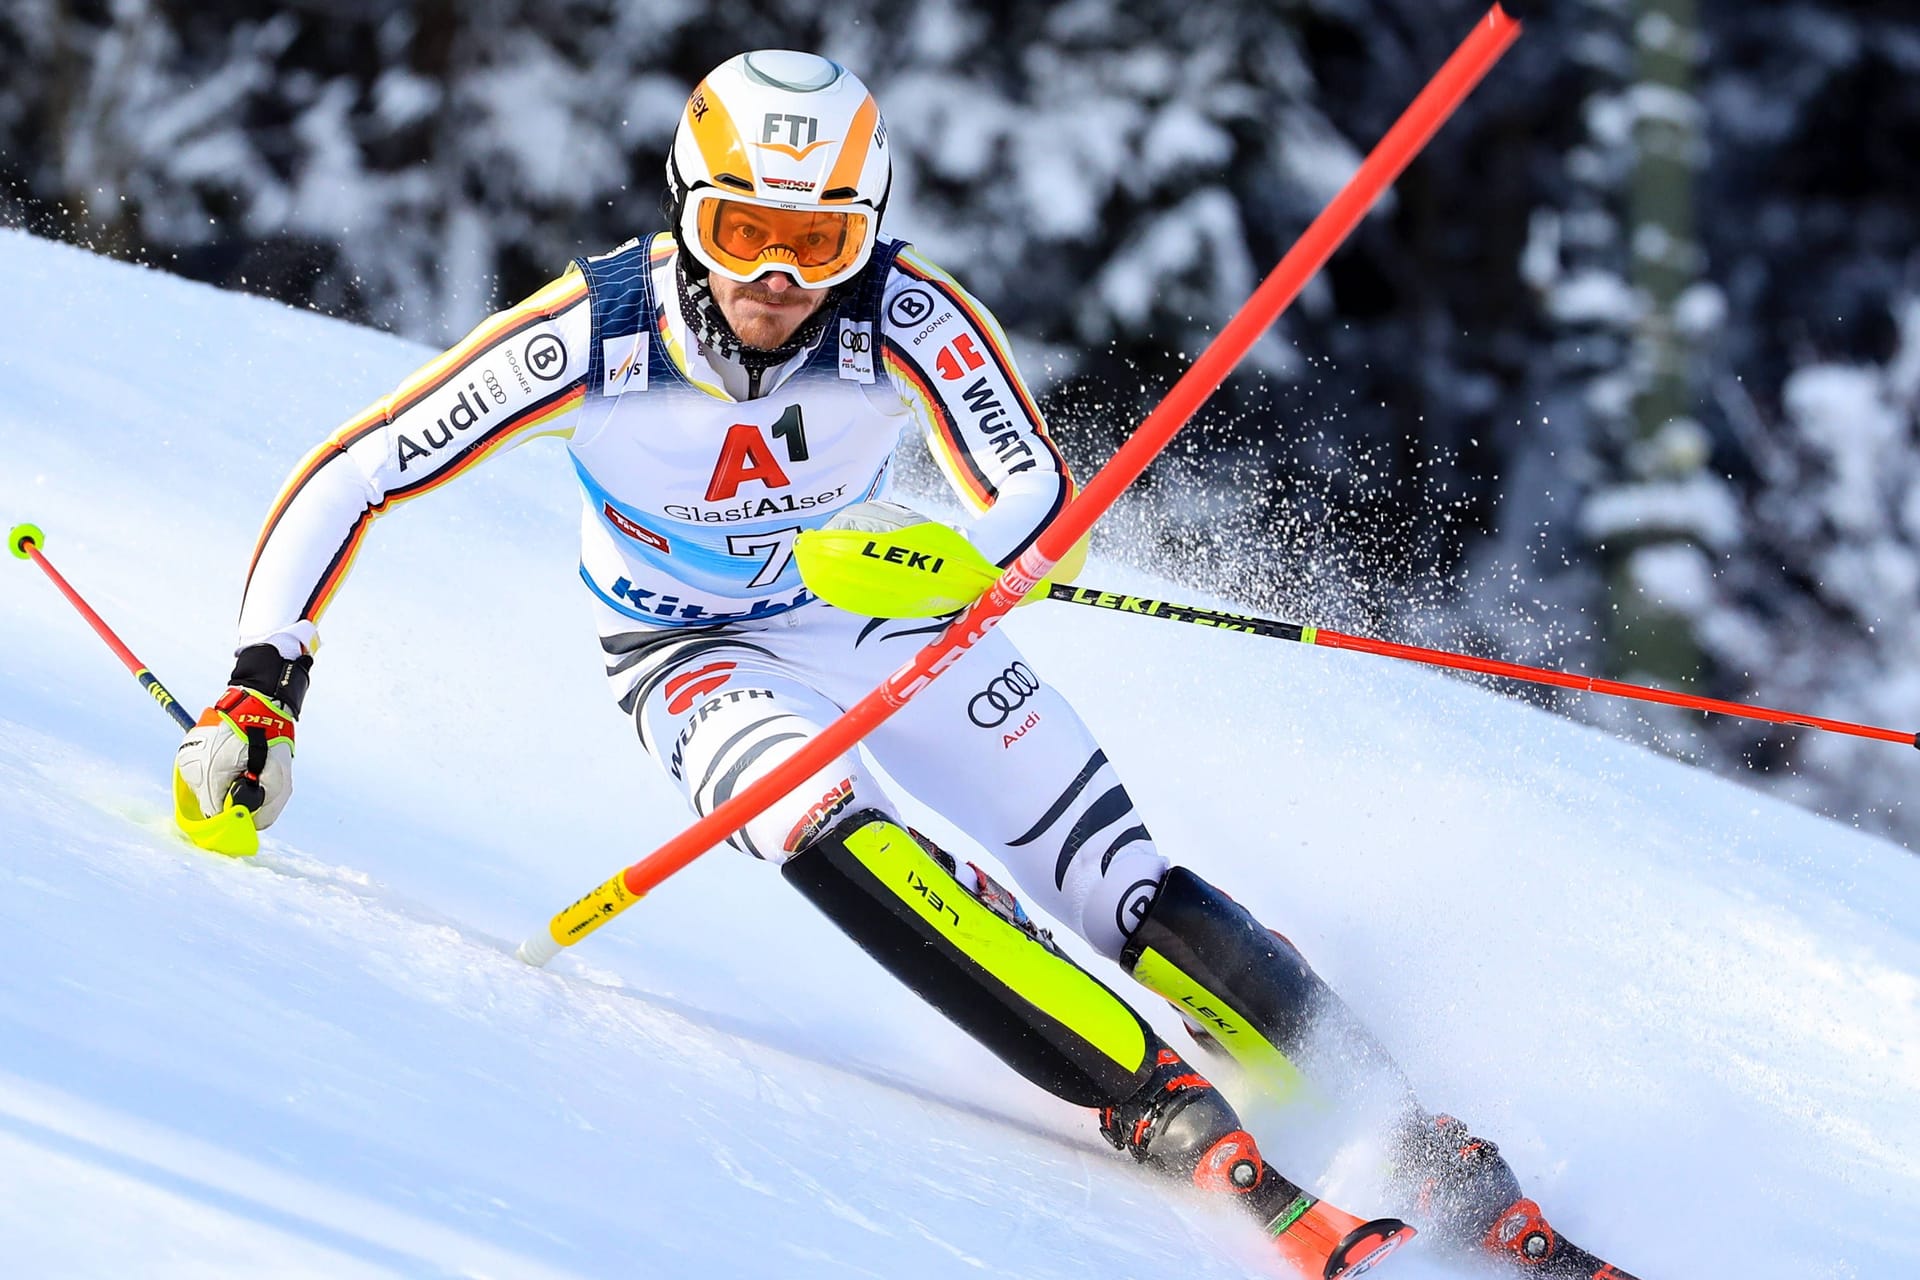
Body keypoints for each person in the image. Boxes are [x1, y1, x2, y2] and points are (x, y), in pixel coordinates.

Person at [171, 50, 1630, 1280]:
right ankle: (1170, 1115)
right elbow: (360, 472)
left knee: (1116, 884)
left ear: (865, 233)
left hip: (869, 610)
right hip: (682, 653)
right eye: (746, 233)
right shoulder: (591, 337)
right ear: (690, 211)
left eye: (817, 246)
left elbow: (1031, 495)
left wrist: (968, 565)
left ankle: (1410, 1132)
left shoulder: (904, 317)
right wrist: (262, 683)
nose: (778, 282)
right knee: (816, 817)